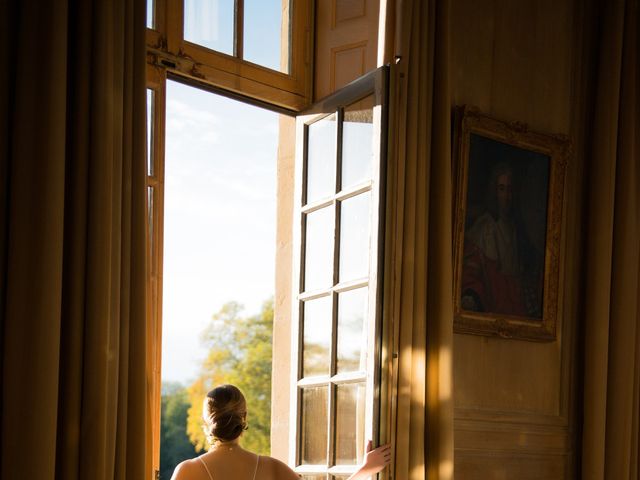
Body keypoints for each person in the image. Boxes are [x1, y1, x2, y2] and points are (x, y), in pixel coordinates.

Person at [171, 384, 392, 480]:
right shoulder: (271, 469)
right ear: (244, 417)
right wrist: (364, 469)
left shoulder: (187, 472)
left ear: (207, 422)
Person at [461, 163, 543, 318]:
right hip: (494, 302)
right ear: (495, 192)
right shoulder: (485, 228)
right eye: (502, 189)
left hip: (516, 308)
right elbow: (472, 275)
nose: (507, 196)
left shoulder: (518, 230)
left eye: (510, 189)